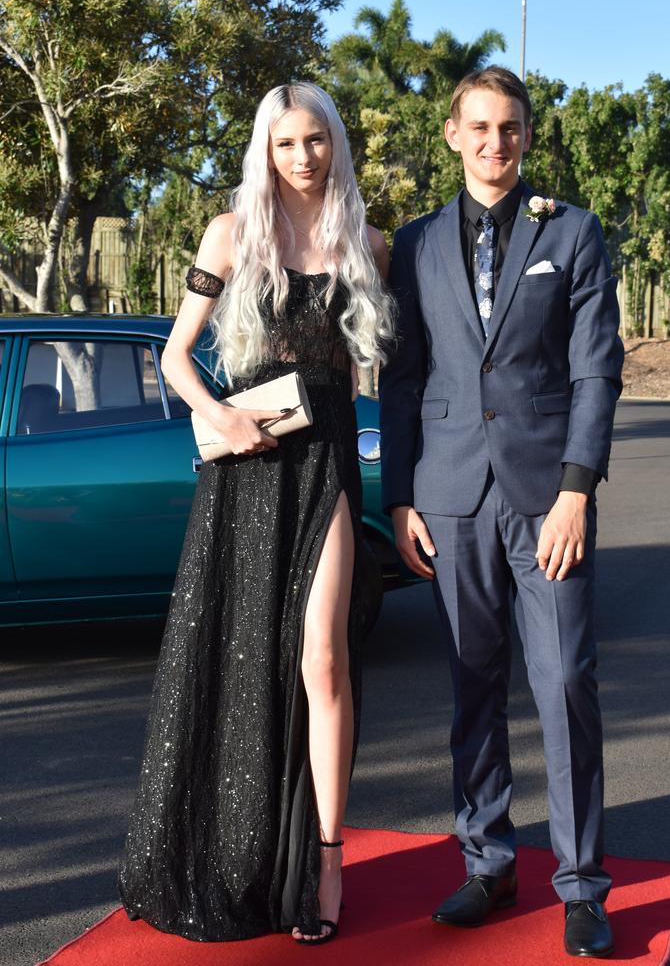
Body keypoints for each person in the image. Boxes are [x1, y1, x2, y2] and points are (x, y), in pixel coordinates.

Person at [118, 82, 393, 945]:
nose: (303, 157)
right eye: (285, 145)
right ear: (264, 151)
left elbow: (375, 373)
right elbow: (174, 357)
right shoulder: (231, 234)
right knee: (239, 665)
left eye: (315, 140)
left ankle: (325, 856)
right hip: (248, 473)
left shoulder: (368, 244)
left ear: (335, 143)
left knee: (324, 660)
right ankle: (237, 848)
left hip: (329, 469)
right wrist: (222, 418)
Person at [379, 67, 623, 959]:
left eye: (510, 127)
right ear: (451, 134)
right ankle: (488, 863)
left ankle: (583, 885)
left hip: (544, 501)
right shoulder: (413, 245)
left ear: (526, 135)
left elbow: (597, 370)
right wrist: (398, 495)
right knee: (471, 687)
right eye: (478, 127)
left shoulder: (575, 233)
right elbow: (401, 381)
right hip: (449, 501)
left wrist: (575, 490)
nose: (495, 142)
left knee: (564, 685)